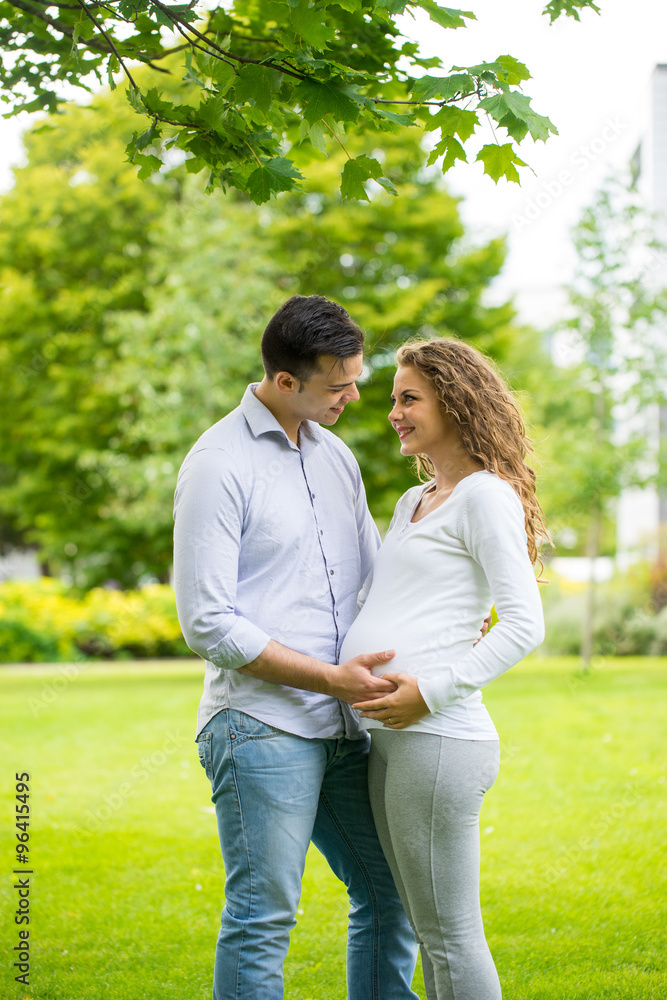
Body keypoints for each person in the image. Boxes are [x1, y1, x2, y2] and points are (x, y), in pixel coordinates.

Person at [172, 295, 419, 1000]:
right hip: (260, 725)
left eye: (356, 377)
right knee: (262, 919)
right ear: (285, 381)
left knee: (390, 893)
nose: (356, 395)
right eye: (337, 384)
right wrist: (329, 680)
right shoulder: (219, 464)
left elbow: (375, 578)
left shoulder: (335, 455)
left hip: (341, 726)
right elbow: (208, 621)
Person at [345, 337, 548, 1000]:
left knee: (450, 936)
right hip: (394, 738)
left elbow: (523, 623)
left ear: (454, 403)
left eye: (409, 399)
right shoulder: (416, 500)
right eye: (392, 400)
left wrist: (428, 693)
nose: (393, 413)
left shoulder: (484, 497)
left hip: (436, 739)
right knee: (430, 933)